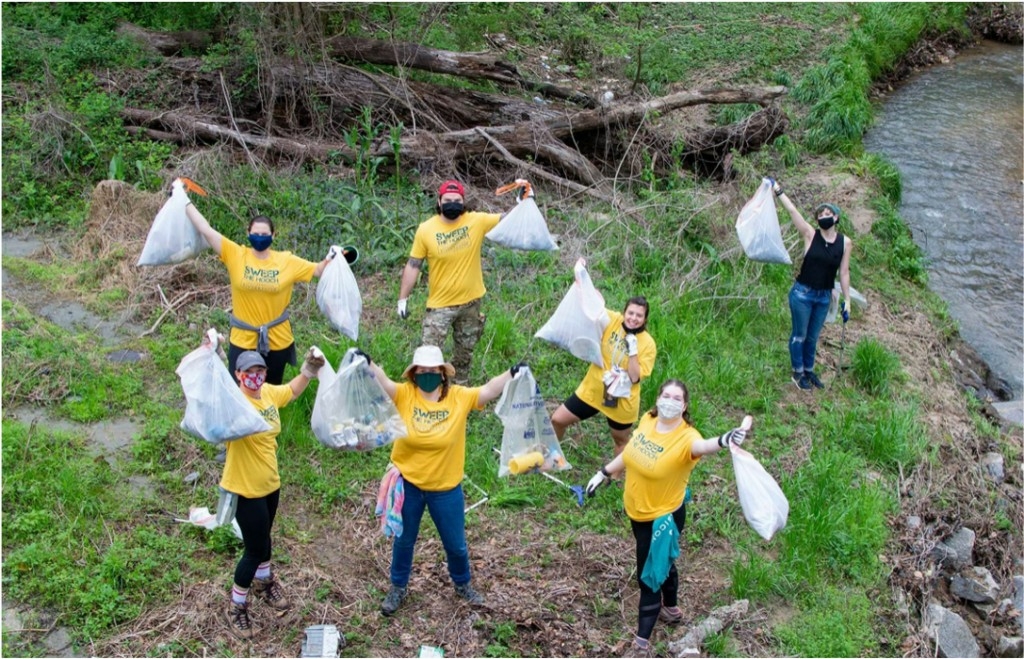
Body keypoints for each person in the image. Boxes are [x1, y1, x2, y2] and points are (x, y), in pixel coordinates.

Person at [585, 379, 752, 656]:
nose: (670, 401)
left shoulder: (687, 437)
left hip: (662, 517)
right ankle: (672, 609)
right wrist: (603, 472)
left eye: (677, 398)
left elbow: (704, 446)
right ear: (658, 398)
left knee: (649, 574)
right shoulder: (649, 420)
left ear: (684, 406)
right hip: (637, 510)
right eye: (666, 395)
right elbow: (630, 452)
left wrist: (724, 440)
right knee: (665, 561)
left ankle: (640, 643)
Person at [363, 344, 523, 615]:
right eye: (421, 371)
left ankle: (462, 585)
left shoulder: (458, 397)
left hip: (445, 488)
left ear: (442, 373)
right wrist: (367, 363)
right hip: (409, 484)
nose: (427, 375)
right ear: (414, 374)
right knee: (404, 541)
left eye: (432, 371)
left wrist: (512, 373)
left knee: (456, 544)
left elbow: (487, 390)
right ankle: (398, 587)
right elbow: (384, 382)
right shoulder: (405, 394)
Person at [182, 179, 349, 385]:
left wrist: (334, 257)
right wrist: (184, 201)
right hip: (243, 339)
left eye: (264, 234)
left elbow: (317, 270)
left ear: (273, 235)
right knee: (241, 391)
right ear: (248, 233)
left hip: (276, 340)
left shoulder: (286, 260)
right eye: (255, 234)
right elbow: (206, 230)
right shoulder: (235, 254)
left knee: (269, 393)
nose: (259, 237)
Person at [212, 342, 325, 640]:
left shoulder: (269, 394)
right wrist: (216, 354)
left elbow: (291, 391)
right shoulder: (234, 400)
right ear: (238, 375)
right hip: (244, 487)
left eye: (260, 370)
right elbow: (217, 388)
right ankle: (236, 606)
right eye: (249, 371)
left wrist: (309, 369)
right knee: (254, 550)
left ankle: (264, 582)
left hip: (270, 484)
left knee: (265, 538)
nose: (256, 375)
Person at [396, 179, 532, 383]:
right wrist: (402, 299)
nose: (453, 203)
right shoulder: (426, 229)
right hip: (440, 306)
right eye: (448, 200)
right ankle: (426, 393)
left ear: (463, 201)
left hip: (471, 303)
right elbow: (414, 264)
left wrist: (523, 201)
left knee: (464, 355)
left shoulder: (475, 221)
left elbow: (509, 220)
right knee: (428, 356)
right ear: (439, 202)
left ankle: (459, 392)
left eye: (457, 200)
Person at [550, 260, 656, 456]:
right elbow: (591, 303)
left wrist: (633, 351)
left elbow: (635, 377)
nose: (633, 318)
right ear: (624, 312)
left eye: (639, 315)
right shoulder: (613, 320)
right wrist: (581, 273)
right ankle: (552, 456)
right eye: (630, 313)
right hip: (594, 389)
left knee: (621, 441)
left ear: (645, 319)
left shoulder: (647, 344)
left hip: (622, 400)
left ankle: (615, 478)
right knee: (557, 419)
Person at [771, 178, 853, 390]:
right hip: (802, 294)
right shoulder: (810, 235)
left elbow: (844, 273)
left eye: (828, 214)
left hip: (824, 296)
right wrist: (778, 190)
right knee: (800, 335)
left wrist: (848, 301)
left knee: (813, 337)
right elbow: (792, 211)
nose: (824, 217)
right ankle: (797, 373)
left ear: (836, 217)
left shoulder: (845, 243)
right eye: (820, 215)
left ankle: (809, 370)